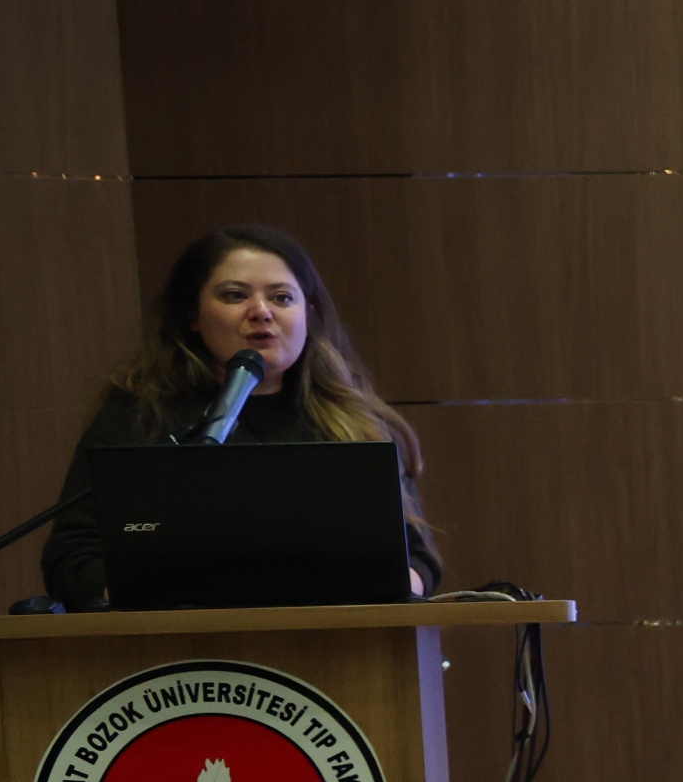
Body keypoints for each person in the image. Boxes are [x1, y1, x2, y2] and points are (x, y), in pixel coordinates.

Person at [41, 224, 439, 609]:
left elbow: (416, 560)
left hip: (337, 644)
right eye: (235, 295)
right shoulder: (142, 414)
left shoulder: (355, 424)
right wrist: (150, 596)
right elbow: (73, 556)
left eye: (282, 298)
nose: (261, 312)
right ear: (192, 314)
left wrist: (381, 588)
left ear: (309, 315)